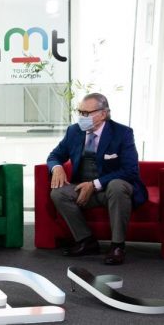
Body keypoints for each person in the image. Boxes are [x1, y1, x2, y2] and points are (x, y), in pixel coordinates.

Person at [47, 93, 147, 265]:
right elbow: (54, 156)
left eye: (87, 113)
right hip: (83, 190)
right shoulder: (74, 131)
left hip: (112, 191)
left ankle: (117, 246)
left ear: (103, 114)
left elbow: (130, 170)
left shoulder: (122, 133)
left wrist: (94, 184)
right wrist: (56, 167)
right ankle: (86, 241)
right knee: (58, 193)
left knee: (117, 186)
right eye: (80, 112)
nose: (82, 117)